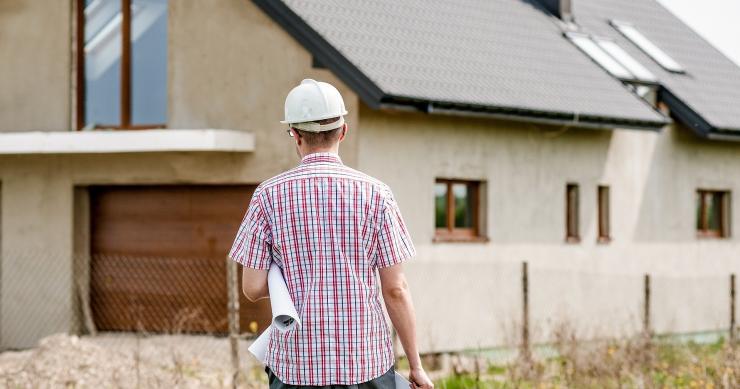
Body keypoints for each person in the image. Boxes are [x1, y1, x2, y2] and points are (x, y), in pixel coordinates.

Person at [229, 79, 433, 389]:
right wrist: (415, 366)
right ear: (343, 131)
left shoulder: (267, 196)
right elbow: (395, 289)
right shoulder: (377, 195)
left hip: (297, 368)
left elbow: (253, 287)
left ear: (295, 135)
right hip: (366, 364)